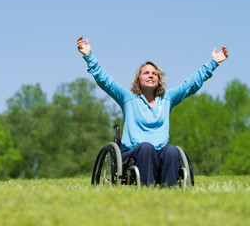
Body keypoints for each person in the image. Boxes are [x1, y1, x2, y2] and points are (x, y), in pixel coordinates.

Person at [77, 35, 229, 187]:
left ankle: (168, 191)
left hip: (160, 153)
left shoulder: (167, 99)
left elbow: (191, 84)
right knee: (146, 147)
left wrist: (213, 62)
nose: (151, 75)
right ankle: (148, 190)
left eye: (154, 73)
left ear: (159, 80)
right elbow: (105, 81)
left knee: (172, 150)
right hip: (134, 153)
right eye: (146, 73)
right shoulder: (128, 98)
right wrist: (89, 56)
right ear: (138, 79)